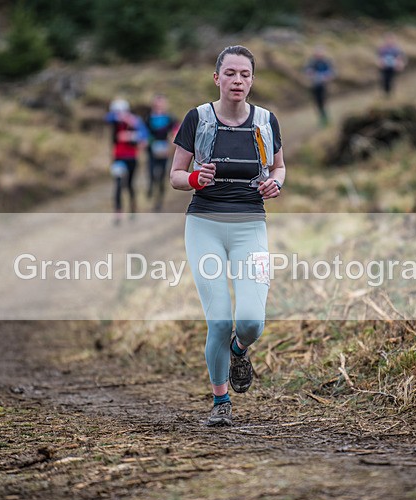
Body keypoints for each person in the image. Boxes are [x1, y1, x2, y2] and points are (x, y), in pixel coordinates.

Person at [170, 45, 285, 427]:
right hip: (204, 225)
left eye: (245, 75)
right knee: (218, 320)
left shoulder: (266, 121)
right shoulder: (198, 118)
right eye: (231, 73)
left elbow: (280, 168)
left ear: (252, 80)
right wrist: (193, 178)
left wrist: (274, 184)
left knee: (251, 322)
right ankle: (221, 402)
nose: (238, 80)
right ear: (217, 78)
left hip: (251, 225)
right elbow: (174, 176)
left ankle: (240, 350)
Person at [105, 98, 148, 221]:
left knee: (130, 185)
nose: (120, 114)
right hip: (118, 158)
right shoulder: (114, 122)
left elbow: (144, 136)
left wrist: (130, 136)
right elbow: (108, 118)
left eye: (122, 111)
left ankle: (133, 208)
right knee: (118, 184)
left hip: (132, 158)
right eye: (117, 111)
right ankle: (118, 212)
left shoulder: (135, 121)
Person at [145, 94, 179, 211]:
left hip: (164, 150)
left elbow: (177, 128)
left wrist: (173, 140)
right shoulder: (149, 117)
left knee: (162, 175)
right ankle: (150, 188)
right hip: (151, 149)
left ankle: (159, 200)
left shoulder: (169, 117)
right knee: (151, 173)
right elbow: (144, 131)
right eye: (157, 103)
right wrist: (147, 141)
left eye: (161, 103)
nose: (159, 105)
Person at [304, 45, 335, 126]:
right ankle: (322, 119)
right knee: (317, 103)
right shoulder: (312, 62)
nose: (319, 54)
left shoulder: (326, 62)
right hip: (314, 86)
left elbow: (332, 72)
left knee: (323, 102)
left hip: (323, 85)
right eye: (317, 53)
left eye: (320, 52)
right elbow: (307, 71)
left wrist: (326, 76)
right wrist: (310, 74)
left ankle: (326, 119)